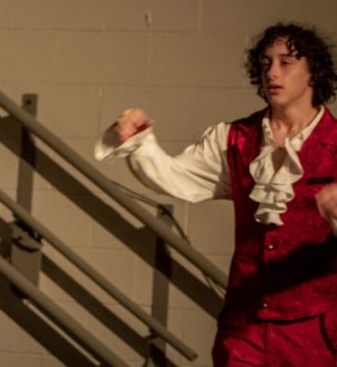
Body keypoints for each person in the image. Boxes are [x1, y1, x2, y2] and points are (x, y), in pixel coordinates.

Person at [95, 23, 337, 366]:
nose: (273, 72)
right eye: (266, 63)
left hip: (316, 334)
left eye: (286, 62)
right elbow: (176, 178)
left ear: (313, 72)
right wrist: (139, 142)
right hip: (245, 327)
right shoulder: (235, 138)